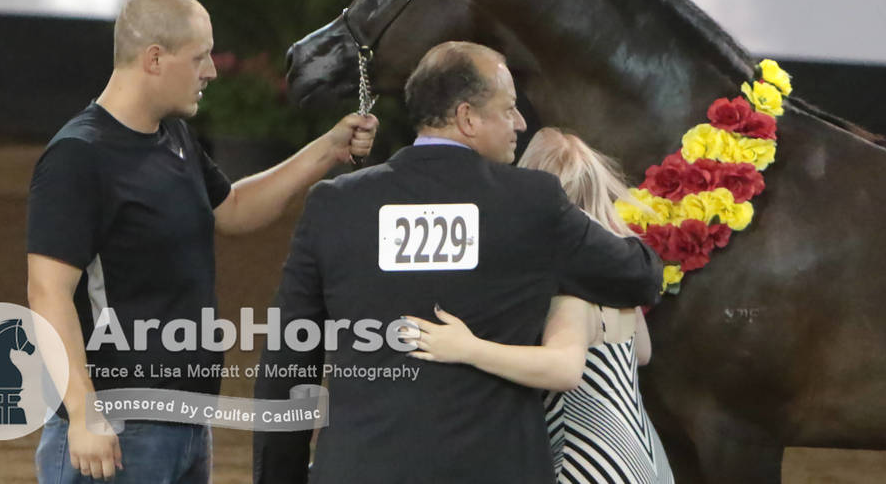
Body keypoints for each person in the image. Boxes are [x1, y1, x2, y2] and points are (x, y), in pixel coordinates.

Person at [252, 41, 662, 483]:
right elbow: (640, 277)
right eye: (508, 109)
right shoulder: (531, 202)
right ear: (468, 117)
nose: (521, 123)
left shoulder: (335, 204)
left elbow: (288, 357)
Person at [26, 0, 378, 483]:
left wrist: (327, 149)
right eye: (200, 58)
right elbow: (47, 293)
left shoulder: (172, 137)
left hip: (184, 423)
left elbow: (231, 208)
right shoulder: (78, 157)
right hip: (120, 429)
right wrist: (83, 412)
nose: (211, 71)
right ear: (153, 59)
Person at [404, 127, 675, 484]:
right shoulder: (619, 273)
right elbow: (642, 353)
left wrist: (468, 348)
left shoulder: (571, 286)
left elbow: (564, 369)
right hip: (645, 456)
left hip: (589, 461)